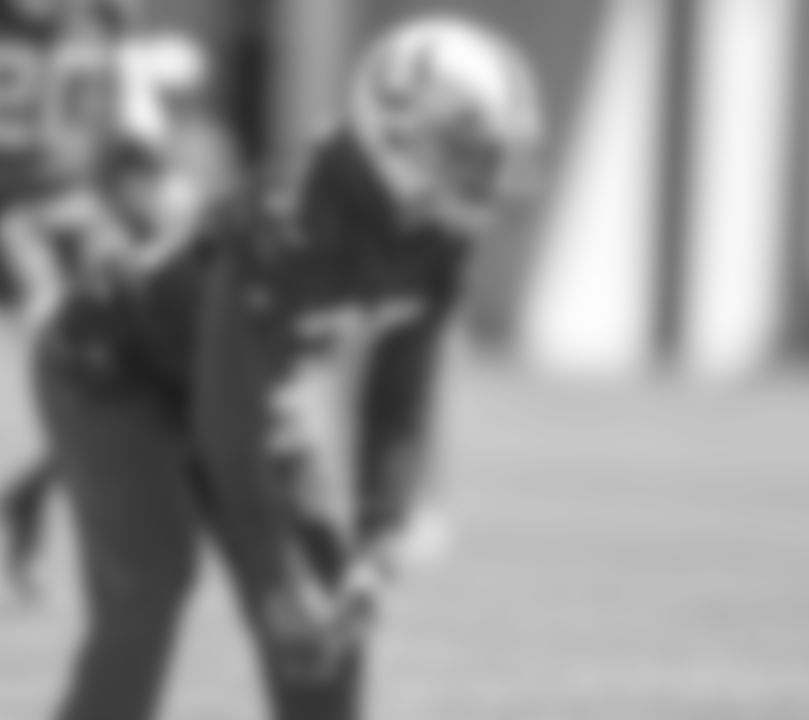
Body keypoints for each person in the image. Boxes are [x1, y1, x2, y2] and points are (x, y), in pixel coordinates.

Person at [34, 14, 543, 720]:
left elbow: (399, 389)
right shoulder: (291, 219)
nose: (485, 177)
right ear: (394, 133)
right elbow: (225, 426)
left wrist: (378, 537)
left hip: (235, 378)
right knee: (152, 586)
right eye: (465, 153)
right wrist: (274, 579)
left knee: (329, 596)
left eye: (490, 155)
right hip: (112, 366)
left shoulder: (439, 238)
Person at [0, 0, 234, 591]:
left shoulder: (103, 15)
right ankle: (43, 508)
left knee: (148, 374)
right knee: (79, 365)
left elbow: (132, 110)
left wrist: (157, 175)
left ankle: (28, 497)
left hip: (80, 210)